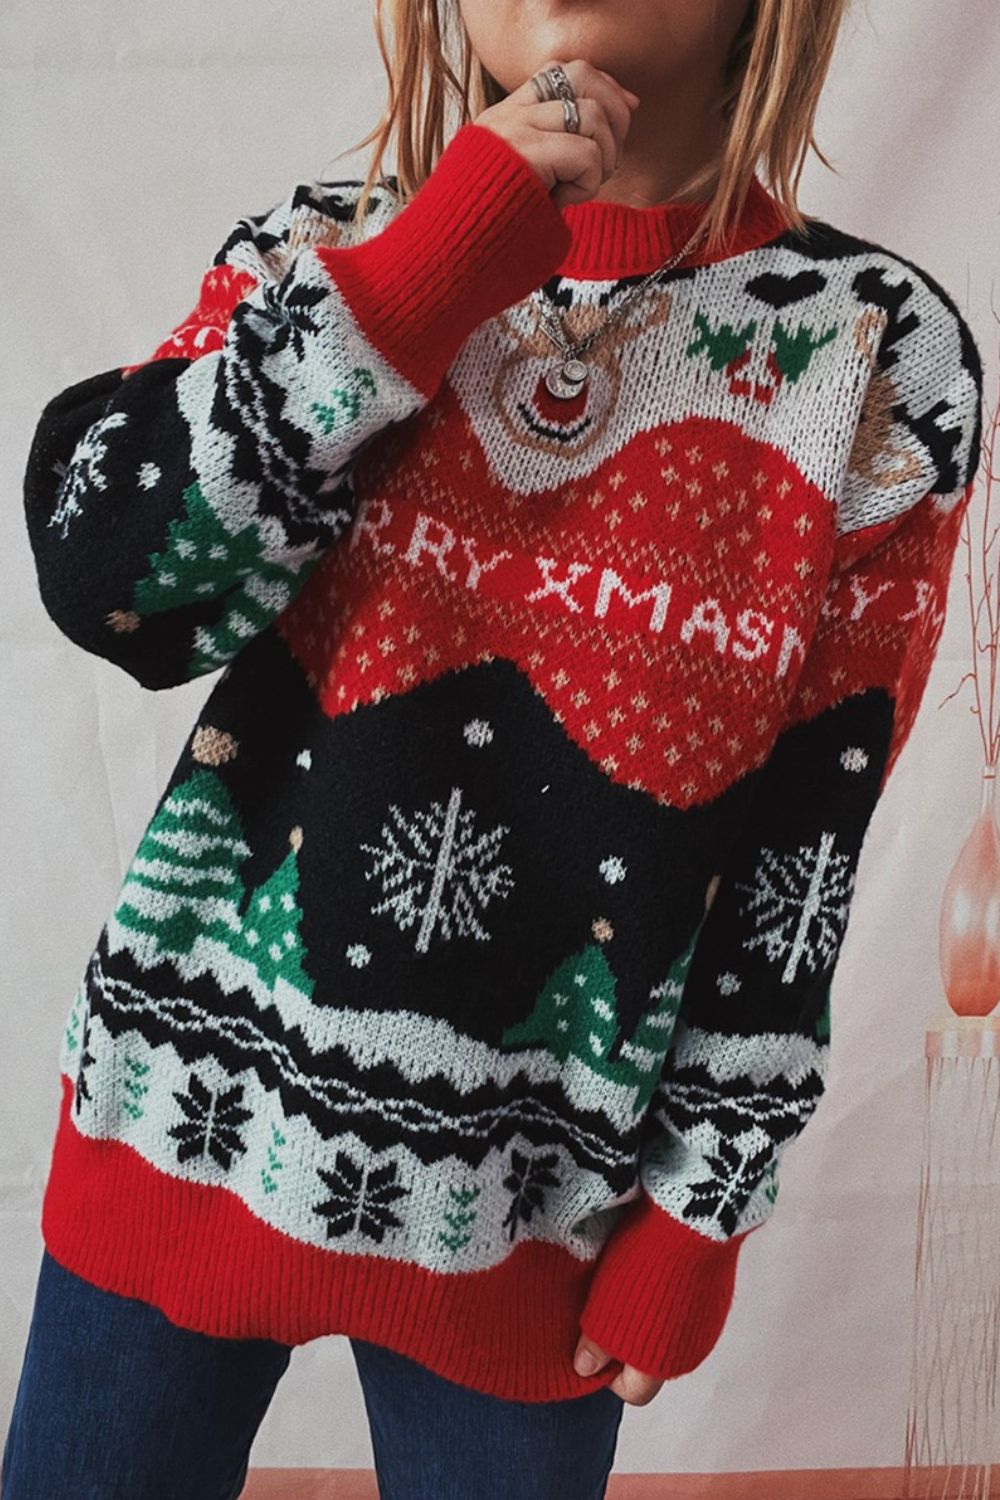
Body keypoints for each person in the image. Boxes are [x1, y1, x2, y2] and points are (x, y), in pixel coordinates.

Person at [3, 0, 983, 1494]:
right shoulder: (329, 255)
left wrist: (703, 1204)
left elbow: (804, 855)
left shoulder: (880, 355)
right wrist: (415, 280)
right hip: (180, 1120)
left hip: (537, 1204)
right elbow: (114, 585)